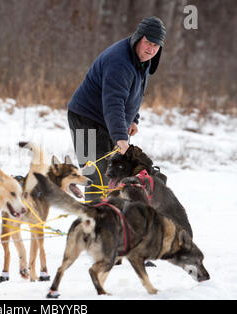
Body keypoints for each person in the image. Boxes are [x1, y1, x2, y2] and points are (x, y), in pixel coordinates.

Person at [67, 16, 166, 200]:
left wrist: (133, 119)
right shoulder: (119, 62)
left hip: (107, 122)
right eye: (147, 43)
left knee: (112, 176)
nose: (151, 49)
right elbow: (113, 103)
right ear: (138, 38)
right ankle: (93, 225)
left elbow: (134, 92)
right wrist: (121, 138)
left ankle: (109, 222)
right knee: (95, 176)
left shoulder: (143, 59)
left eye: (156, 45)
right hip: (83, 118)